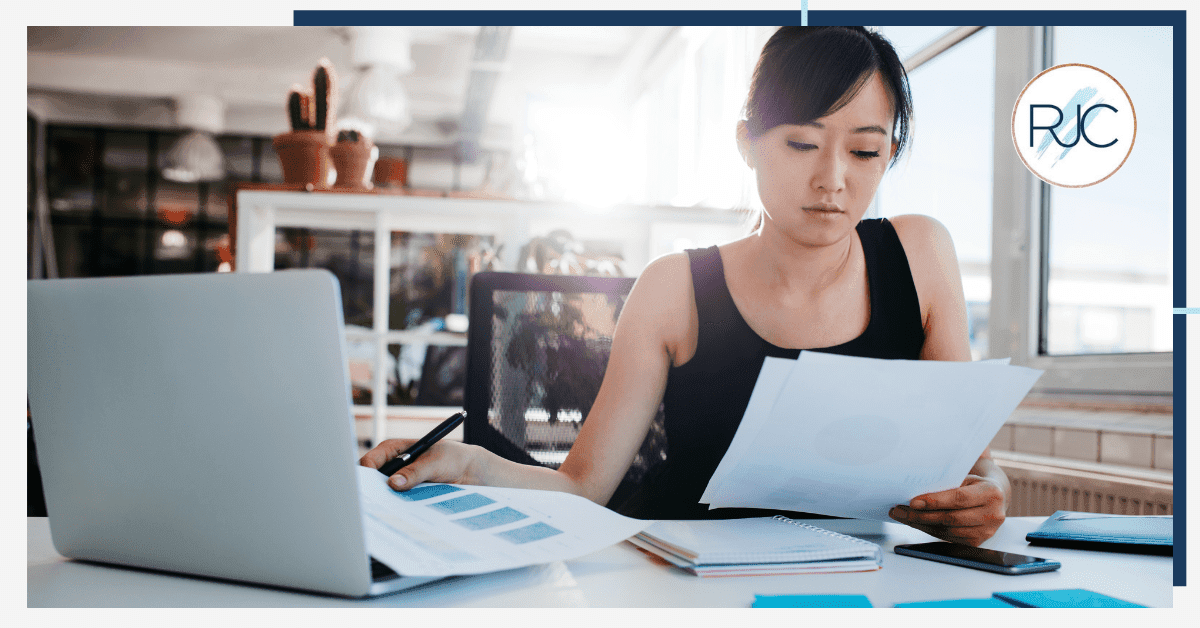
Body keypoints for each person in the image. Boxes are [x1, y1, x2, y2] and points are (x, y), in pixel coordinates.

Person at [361, 26, 1010, 547]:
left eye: (866, 152)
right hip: (695, 576)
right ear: (748, 143)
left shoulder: (920, 252)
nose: (834, 179)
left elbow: (965, 462)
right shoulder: (675, 287)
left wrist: (987, 493)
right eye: (802, 144)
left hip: (869, 579)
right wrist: (469, 465)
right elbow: (585, 486)